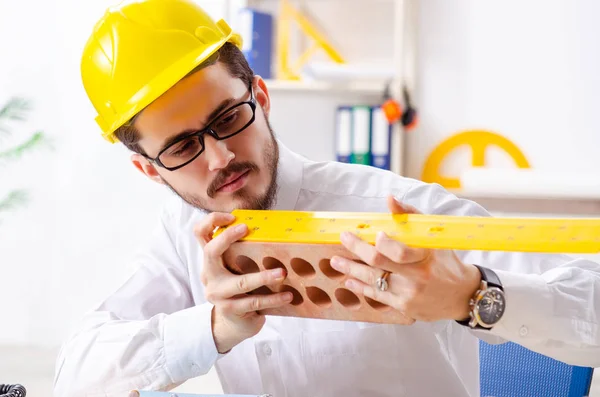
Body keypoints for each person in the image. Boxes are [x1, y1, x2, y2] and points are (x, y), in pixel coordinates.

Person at [54, 0, 600, 396]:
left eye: (227, 118)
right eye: (181, 147)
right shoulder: (183, 236)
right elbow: (76, 376)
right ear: (149, 171)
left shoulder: (398, 209)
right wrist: (214, 328)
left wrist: (471, 297)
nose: (219, 158)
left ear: (260, 97)